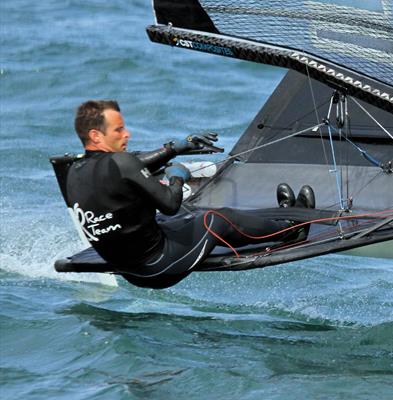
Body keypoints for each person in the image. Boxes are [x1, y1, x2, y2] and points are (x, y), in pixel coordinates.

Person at [65, 100, 314, 289]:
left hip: (129, 269)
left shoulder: (74, 170)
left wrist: (173, 149)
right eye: (118, 130)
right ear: (96, 135)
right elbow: (170, 203)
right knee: (214, 219)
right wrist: (177, 175)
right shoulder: (122, 162)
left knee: (186, 216)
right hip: (158, 267)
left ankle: (277, 223)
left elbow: (131, 165)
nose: (126, 134)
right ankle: (291, 230)